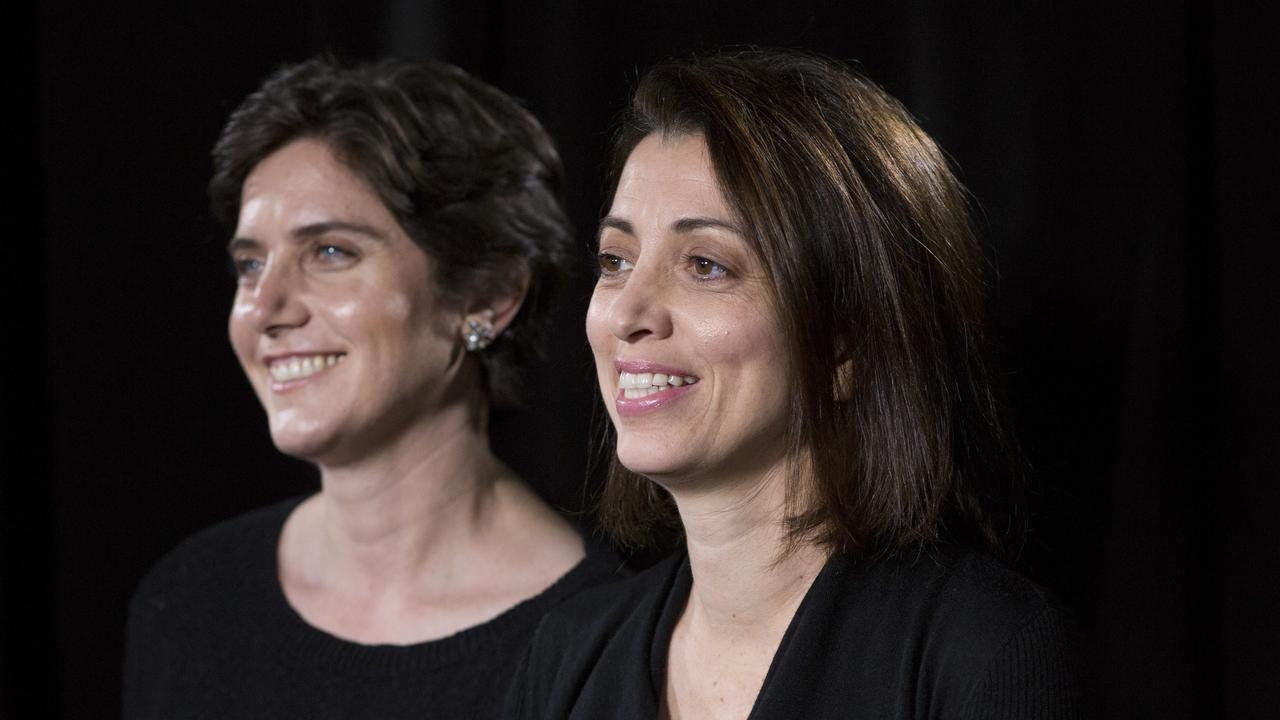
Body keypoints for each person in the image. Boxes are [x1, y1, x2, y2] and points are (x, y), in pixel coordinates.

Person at [508, 49, 1092, 719]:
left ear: (846, 346)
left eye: (705, 265)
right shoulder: (568, 653)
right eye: (617, 260)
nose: (625, 315)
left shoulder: (984, 654)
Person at [124, 56, 622, 719]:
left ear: (490, 294)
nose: (264, 307)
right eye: (249, 264)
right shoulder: (188, 600)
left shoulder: (605, 643)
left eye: (330, 252)